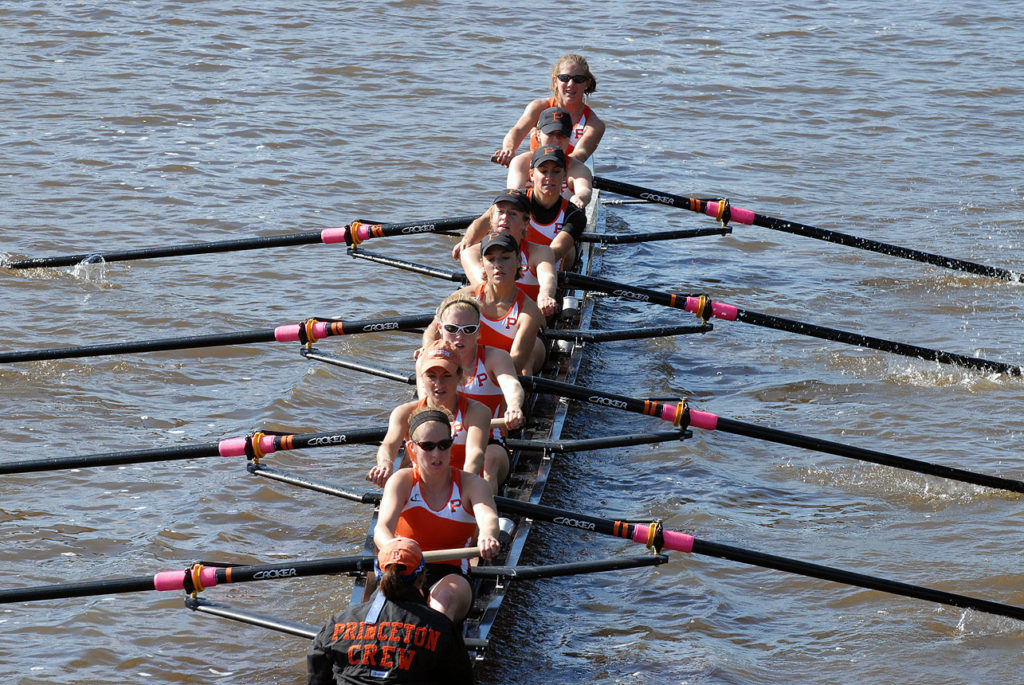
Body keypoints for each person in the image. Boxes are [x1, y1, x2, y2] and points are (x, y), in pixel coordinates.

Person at [374, 407, 500, 623]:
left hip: (452, 573)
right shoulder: (401, 481)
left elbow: (488, 518)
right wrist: (397, 551)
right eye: (428, 446)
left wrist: (488, 535)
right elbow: (382, 528)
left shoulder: (472, 484)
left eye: (444, 445)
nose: (437, 454)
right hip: (405, 569)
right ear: (412, 449)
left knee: (439, 606)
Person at [306, 537, 474, 685]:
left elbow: (316, 677)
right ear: (422, 576)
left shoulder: (336, 622)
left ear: (378, 573)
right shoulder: (442, 627)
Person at [367, 339, 510, 493]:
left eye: (446, 376)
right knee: (400, 477)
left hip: (466, 483)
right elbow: (388, 445)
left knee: (489, 463)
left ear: (459, 375)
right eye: (432, 376)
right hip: (428, 485)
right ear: (422, 378)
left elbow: (475, 455)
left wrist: (461, 489)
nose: (439, 384)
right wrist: (385, 462)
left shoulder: (476, 411)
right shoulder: (404, 413)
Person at [431, 231, 547, 375]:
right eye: (491, 259)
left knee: (524, 370)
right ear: (482, 263)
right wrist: (429, 354)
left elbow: (515, 365)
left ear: (518, 261)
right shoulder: (465, 296)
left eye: (505, 258)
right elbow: (432, 331)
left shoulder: (529, 310)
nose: (498, 265)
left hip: (505, 371)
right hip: (471, 366)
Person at [455, 146, 587, 270]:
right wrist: (467, 241)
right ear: (531, 175)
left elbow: (556, 251)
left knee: (569, 252)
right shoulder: (515, 200)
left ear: (564, 175)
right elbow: (484, 220)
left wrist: (519, 268)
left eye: (556, 171)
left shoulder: (573, 214)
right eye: (543, 171)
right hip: (513, 263)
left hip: (545, 268)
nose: (549, 177)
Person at [454, 190, 558, 318]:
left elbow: (548, 277)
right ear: (491, 219)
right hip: (489, 316)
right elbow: (485, 288)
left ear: (525, 223)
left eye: (513, 214)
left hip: (527, 316)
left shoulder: (541, 252)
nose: (505, 218)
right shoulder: (471, 253)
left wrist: (545, 295)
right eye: (501, 212)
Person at [493, 53, 604, 166]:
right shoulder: (538, 108)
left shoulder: (594, 124)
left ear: (587, 83)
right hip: (537, 170)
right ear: (555, 81)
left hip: (568, 171)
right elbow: (517, 131)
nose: (571, 84)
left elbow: (581, 153)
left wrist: (553, 165)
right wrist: (508, 149)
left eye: (578, 79)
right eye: (565, 78)